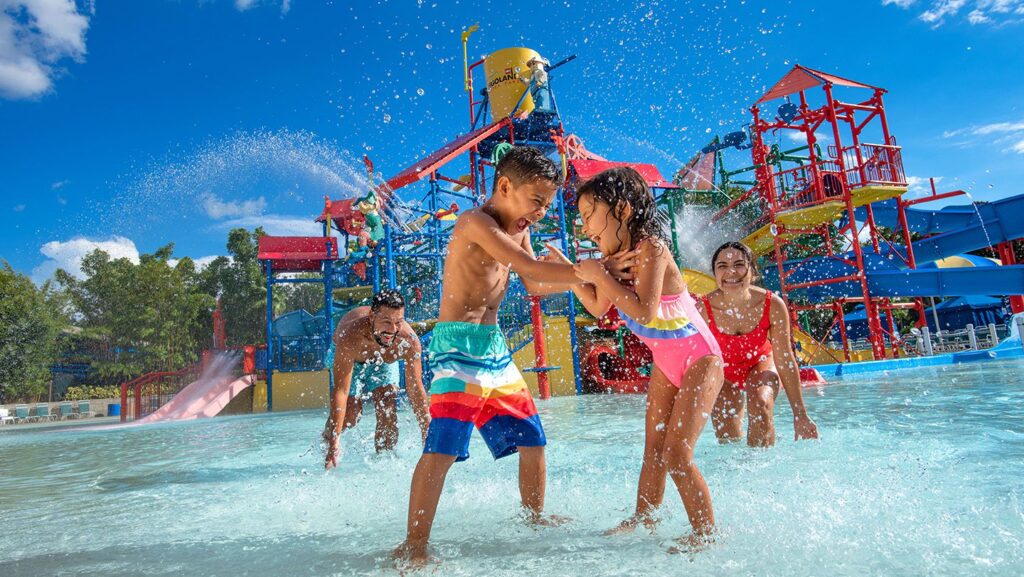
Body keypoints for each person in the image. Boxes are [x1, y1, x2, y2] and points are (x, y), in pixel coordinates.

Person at [392, 145, 589, 567]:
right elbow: (528, 268)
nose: (540, 212)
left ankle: (534, 518)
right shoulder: (474, 222)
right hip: (458, 347)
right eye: (536, 201)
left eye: (546, 205)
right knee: (441, 450)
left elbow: (534, 285)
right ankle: (413, 546)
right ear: (504, 185)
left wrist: (579, 281)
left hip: (494, 348)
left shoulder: (521, 226)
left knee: (534, 440)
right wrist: (591, 272)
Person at [561, 166, 725, 549]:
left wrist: (600, 276)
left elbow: (645, 311)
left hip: (701, 358)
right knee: (653, 449)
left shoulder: (652, 248)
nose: (585, 228)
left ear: (621, 208)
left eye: (589, 216)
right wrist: (576, 276)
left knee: (677, 455)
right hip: (667, 364)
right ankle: (643, 517)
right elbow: (600, 308)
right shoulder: (616, 260)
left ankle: (706, 535)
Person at [696, 241, 819, 447]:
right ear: (715, 273)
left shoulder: (772, 304)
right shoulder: (703, 308)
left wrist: (800, 415)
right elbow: (692, 361)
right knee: (728, 437)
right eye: (722, 266)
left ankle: (765, 467)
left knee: (761, 403)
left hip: (759, 363)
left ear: (753, 271)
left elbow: (785, 359)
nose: (731, 272)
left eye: (739, 264)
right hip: (723, 372)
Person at [323, 289, 430, 468]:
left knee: (388, 404)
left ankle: (385, 461)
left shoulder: (408, 342)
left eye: (398, 322)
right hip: (351, 358)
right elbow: (341, 391)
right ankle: (328, 438)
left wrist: (427, 429)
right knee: (351, 414)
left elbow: (415, 389)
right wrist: (335, 442)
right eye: (386, 322)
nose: (392, 330)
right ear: (372, 317)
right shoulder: (350, 336)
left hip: (383, 360)